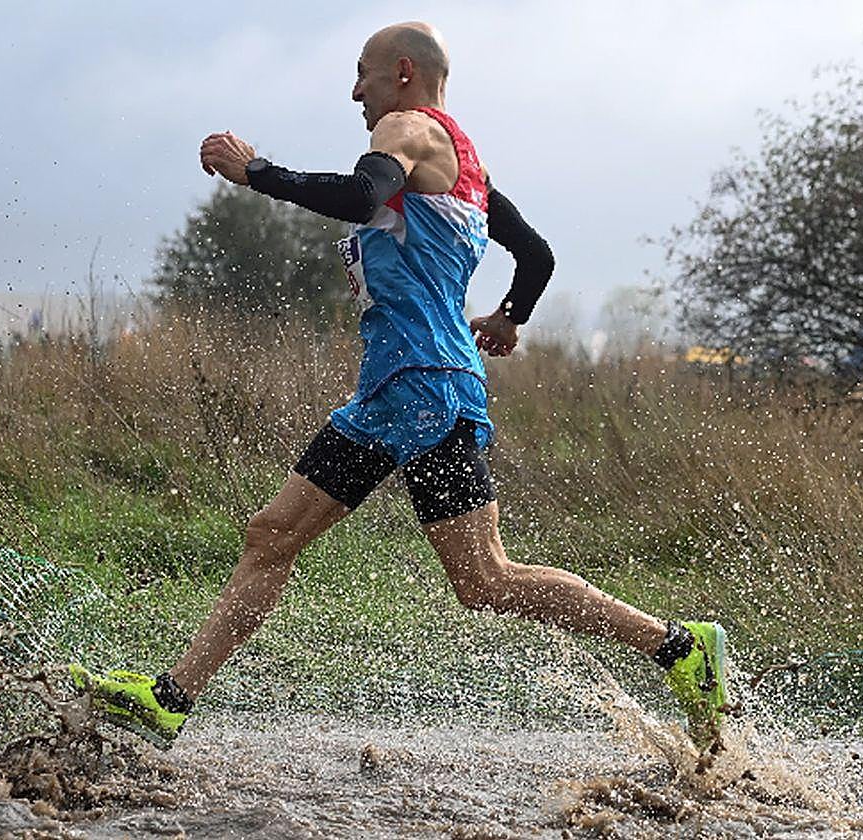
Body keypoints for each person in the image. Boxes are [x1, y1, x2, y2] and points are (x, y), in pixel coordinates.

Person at [70, 21, 728, 753]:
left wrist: (255, 173)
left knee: (475, 578)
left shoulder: (406, 128)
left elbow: (360, 196)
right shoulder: (467, 165)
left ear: (403, 73)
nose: (356, 91)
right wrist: (508, 319)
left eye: (364, 74)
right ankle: (170, 700)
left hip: (419, 388)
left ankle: (678, 647)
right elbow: (535, 254)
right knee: (299, 542)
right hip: (407, 389)